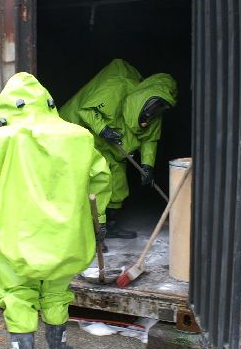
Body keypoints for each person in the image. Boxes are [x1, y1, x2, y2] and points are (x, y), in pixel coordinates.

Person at [0, 72, 111, 349]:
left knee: (17, 294)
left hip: (18, 237)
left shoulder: (4, 139)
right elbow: (99, 183)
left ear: (8, 108)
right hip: (66, 238)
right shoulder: (80, 137)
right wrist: (98, 219)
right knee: (57, 291)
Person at [59, 59, 177, 239]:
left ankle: (110, 227)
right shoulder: (117, 87)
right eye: (155, 104)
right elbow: (86, 109)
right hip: (83, 136)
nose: (154, 111)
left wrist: (147, 166)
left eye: (161, 107)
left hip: (112, 148)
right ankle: (92, 232)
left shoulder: (154, 116)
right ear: (147, 94)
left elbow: (150, 140)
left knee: (118, 185)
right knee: (92, 185)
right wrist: (103, 129)